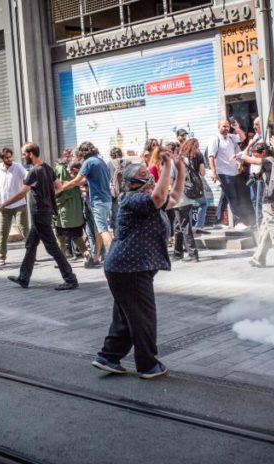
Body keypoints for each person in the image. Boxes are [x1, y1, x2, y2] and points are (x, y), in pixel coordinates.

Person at [91, 145, 186, 379]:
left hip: (127, 269)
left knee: (126, 316)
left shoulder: (142, 199)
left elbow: (172, 197)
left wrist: (180, 170)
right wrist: (166, 166)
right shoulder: (132, 199)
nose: (151, 181)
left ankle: (109, 356)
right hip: (128, 269)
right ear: (137, 183)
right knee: (143, 317)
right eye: (147, 178)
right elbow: (159, 197)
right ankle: (147, 365)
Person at [0, 142, 78, 291]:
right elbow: (59, 187)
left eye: (24, 154)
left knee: (52, 248)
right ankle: (24, 278)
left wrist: (4, 204)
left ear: (31, 154)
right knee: (30, 245)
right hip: (44, 212)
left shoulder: (34, 172)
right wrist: (48, 198)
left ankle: (70, 278)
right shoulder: (48, 168)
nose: (22, 157)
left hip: (39, 213)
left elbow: (22, 193)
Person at [59, 141, 112, 268]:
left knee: (103, 230)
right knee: (97, 230)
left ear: (83, 152)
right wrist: (71, 183)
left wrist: (62, 187)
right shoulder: (100, 161)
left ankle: (114, 258)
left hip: (98, 201)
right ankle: (95, 258)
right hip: (106, 200)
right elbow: (84, 180)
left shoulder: (88, 162)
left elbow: (77, 180)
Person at [207, 120, 253, 229]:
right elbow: (211, 156)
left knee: (225, 197)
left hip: (234, 172)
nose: (226, 128)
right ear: (218, 127)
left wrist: (237, 127)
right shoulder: (215, 139)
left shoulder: (231, 137)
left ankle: (217, 221)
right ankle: (238, 221)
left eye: (227, 126)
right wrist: (214, 171)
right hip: (223, 173)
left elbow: (242, 138)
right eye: (224, 126)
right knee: (233, 196)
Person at [0, 147, 29, 266]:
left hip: (19, 205)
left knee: (24, 229)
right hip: (4, 207)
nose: (9, 159)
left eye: (10, 156)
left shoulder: (17, 167)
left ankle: (30, 253)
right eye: (7, 157)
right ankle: (2, 256)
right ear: (2, 158)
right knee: (3, 232)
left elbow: (28, 177)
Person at [54, 154, 87, 260]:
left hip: (64, 210)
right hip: (69, 212)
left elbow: (60, 189)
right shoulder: (74, 182)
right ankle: (86, 255)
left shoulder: (66, 178)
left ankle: (62, 259)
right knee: (73, 236)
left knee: (63, 236)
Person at [174, 139, 202, 261]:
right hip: (189, 196)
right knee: (177, 225)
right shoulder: (193, 159)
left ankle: (193, 254)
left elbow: (171, 180)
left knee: (184, 225)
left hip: (180, 198)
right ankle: (178, 252)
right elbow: (202, 172)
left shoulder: (177, 161)